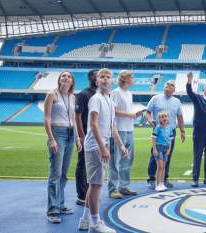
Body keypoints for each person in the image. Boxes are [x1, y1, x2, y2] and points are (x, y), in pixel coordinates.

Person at [78, 68, 127, 233]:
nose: (105, 79)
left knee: (94, 185)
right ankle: (94, 224)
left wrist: (120, 145)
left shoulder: (110, 101)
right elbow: (92, 124)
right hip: (95, 146)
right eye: (102, 77)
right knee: (96, 185)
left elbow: (113, 128)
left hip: (103, 145)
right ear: (97, 81)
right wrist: (102, 147)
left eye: (108, 77)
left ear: (111, 81)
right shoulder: (96, 99)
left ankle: (85, 220)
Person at [44, 71, 82, 223]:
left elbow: (73, 118)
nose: (66, 78)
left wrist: (78, 138)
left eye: (69, 76)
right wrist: (51, 138)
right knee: (55, 173)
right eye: (63, 76)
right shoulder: (52, 95)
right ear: (59, 80)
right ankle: (52, 209)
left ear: (72, 81)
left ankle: (60, 204)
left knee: (64, 173)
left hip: (71, 134)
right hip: (57, 133)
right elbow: (47, 118)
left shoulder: (73, 97)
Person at [145, 80, 185, 189]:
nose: (169, 86)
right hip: (158, 131)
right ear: (164, 87)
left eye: (172, 85)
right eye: (167, 84)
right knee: (155, 154)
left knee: (167, 155)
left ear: (174, 90)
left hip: (170, 131)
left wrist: (182, 131)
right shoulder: (155, 98)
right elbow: (147, 112)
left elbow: (180, 117)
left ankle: (164, 179)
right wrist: (149, 120)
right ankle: (152, 178)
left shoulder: (177, 101)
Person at [108, 70, 141, 199]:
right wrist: (129, 114)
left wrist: (133, 114)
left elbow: (125, 111)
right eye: (132, 77)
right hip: (118, 130)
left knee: (127, 159)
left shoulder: (129, 93)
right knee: (115, 161)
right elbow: (112, 110)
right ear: (125, 79)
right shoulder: (116, 92)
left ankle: (123, 186)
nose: (134, 79)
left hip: (129, 129)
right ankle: (112, 189)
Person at [74, 69, 98, 206]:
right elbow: (77, 116)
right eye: (99, 76)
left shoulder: (101, 94)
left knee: (93, 165)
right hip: (86, 135)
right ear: (94, 79)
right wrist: (81, 135)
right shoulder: (84, 94)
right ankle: (82, 195)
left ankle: (90, 193)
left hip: (97, 136)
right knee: (82, 164)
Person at [151, 111, 175, 192]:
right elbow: (153, 138)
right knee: (160, 167)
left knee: (164, 167)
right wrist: (154, 149)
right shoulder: (157, 128)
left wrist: (169, 149)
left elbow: (170, 140)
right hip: (159, 148)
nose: (164, 118)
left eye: (165, 116)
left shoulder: (170, 128)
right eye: (162, 117)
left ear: (168, 118)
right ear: (159, 119)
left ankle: (162, 183)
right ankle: (157, 184)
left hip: (166, 148)